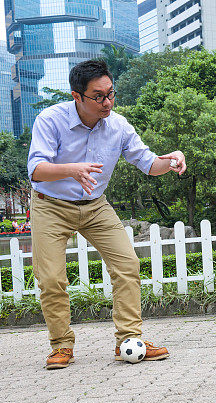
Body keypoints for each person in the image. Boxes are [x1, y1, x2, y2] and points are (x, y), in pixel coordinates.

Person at [27, 59, 187, 370]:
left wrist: (171, 161)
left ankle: (128, 340)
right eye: (98, 96)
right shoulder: (51, 120)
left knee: (127, 264)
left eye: (111, 93)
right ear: (77, 96)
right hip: (50, 204)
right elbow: (36, 169)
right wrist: (72, 169)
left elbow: (148, 163)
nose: (107, 102)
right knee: (51, 278)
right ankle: (61, 347)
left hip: (95, 206)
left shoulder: (119, 125)